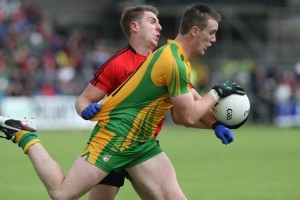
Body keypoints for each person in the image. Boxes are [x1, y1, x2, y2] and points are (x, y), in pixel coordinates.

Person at [0, 3, 244, 199]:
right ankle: (25, 135)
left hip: (142, 143)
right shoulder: (164, 61)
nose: (213, 39)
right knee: (62, 195)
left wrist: (214, 123)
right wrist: (217, 92)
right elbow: (187, 114)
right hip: (116, 139)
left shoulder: (171, 57)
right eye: (152, 21)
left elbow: (187, 110)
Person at [76, 4, 226, 200]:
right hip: (115, 145)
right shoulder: (118, 63)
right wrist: (86, 110)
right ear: (134, 27)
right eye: (153, 21)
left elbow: (191, 102)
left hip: (143, 148)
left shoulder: (165, 59)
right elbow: (83, 100)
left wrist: (215, 124)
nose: (160, 27)